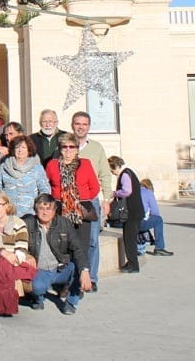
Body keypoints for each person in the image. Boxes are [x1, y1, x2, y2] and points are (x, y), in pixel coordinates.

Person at [45, 132, 100, 289]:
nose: (68, 150)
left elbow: (95, 188)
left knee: (82, 246)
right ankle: (64, 282)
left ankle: (79, 281)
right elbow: (46, 185)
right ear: (60, 149)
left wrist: (77, 202)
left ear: (77, 149)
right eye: (65, 147)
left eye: (72, 147)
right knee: (62, 246)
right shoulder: (52, 165)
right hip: (59, 208)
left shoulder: (86, 164)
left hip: (81, 209)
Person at [24, 193, 92, 314]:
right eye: (41, 208)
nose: (45, 212)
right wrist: (27, 255)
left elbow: (78, 248)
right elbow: (17, 243)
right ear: (35, 210)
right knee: (36, 287)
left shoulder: (64, 223)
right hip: (40, 270)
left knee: (80, 268)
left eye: (48, 208)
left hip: (61, 267)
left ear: (54, 210)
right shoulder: (28, 224)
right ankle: (38, 299)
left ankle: (70, 303)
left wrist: (85, 270)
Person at [71, 111, 111, 290]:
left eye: (84, 124)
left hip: (91, 201)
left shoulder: (96, 148)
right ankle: (72, 278)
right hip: (70, 201)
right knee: (71, 240)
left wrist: (106, 200)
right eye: (77, 123)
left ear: (89, 127)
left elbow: (105, 175)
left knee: (92, 240)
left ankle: (92, 278)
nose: (80, 127)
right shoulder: (65, 145)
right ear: (72, 125)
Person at [108, 155, 146, 273]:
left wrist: (114, 193)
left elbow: (127, 191)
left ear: (115, 166)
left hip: (131, 212)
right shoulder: (129, 173)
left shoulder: (124, 175)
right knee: (129, 238)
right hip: (135, 211)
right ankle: (131, 263)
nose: (112, 172)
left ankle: (133, 265)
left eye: (111, 169)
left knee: (130, 240)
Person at [0, 134, 51, 217]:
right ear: (13, 149)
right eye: (17, 147)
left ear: (29, 150)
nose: (20, 150)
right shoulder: (4, 167)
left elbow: (45, 190)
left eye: (23, 147)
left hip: (30, 214)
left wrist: (40, 208)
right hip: (8, 214)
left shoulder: (37, 168)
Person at [139, 179, 173, 256]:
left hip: (128, 222)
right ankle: (159, 248)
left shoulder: (133, 191)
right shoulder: (148, 193)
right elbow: (155, 212)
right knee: (158, 220)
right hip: (139, 223)